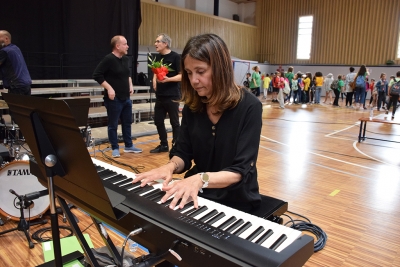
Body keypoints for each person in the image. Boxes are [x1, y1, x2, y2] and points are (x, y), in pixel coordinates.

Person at [132, 33, 262, 214]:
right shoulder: (192, 107)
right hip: (197, 193)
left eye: (200, 72)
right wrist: (169, 167)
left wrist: (202, 178)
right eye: (189, 73)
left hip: (236, 200)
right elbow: (183, 153)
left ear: (220, 69)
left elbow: (240, 171)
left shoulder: (250, 106)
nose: (194, 80)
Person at [93, 35, 142, 157]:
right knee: (113, 124)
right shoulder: (108, 59)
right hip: (114, 99)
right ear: (117, 46)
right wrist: (109, 88)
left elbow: (128, 74)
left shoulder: (125, 59)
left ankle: (128, 145)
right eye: (125, 44)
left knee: (127, 122)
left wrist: (130, 85)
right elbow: (97, 75)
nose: (128, 46)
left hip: (126, 98)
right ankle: (115, 147)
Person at [150, 33, 182, 153]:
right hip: (160, 95)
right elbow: (155, 71)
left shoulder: (176, 57)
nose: (155, 44)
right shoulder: (158, 57)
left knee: (174, 122)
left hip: (172, 95)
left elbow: (182, 76)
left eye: (158, 41)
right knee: (158, 121)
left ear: (165, 43)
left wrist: (168, 79)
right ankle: (164, 144)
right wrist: (154, 80)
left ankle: (177, 145)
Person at [0, 30, 31, 95]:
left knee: (15, 104)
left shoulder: (5, 51)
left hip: (17, 85)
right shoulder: (15, 48)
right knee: (25, 104)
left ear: (6, 39)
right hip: (26, 83)